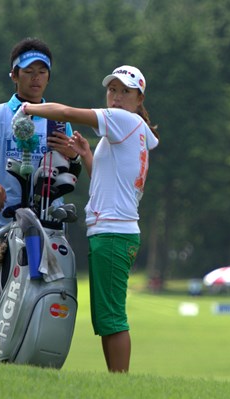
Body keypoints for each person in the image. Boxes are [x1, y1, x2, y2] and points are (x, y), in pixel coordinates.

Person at [13, 65, 159, 373]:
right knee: (107, 317)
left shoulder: (122, 120)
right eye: (112, 90)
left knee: (112, 318)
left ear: (138, 98)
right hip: (115, 233)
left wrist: (27, 106)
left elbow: (66, 112)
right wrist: (85, 155)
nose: (116, 97)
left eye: (125, 92)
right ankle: (115, 383)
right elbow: (106, 180)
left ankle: (119, 386)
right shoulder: (131, 129)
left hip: (113, 234)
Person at [0, 37, 79, 266]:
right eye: (28, 71)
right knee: (11, 291)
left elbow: (72, 170)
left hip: (49, 221)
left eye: (42, 71)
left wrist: (74, 156)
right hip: (5, 222)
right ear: (14, 75)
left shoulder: (58, 119)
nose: (36, 77)